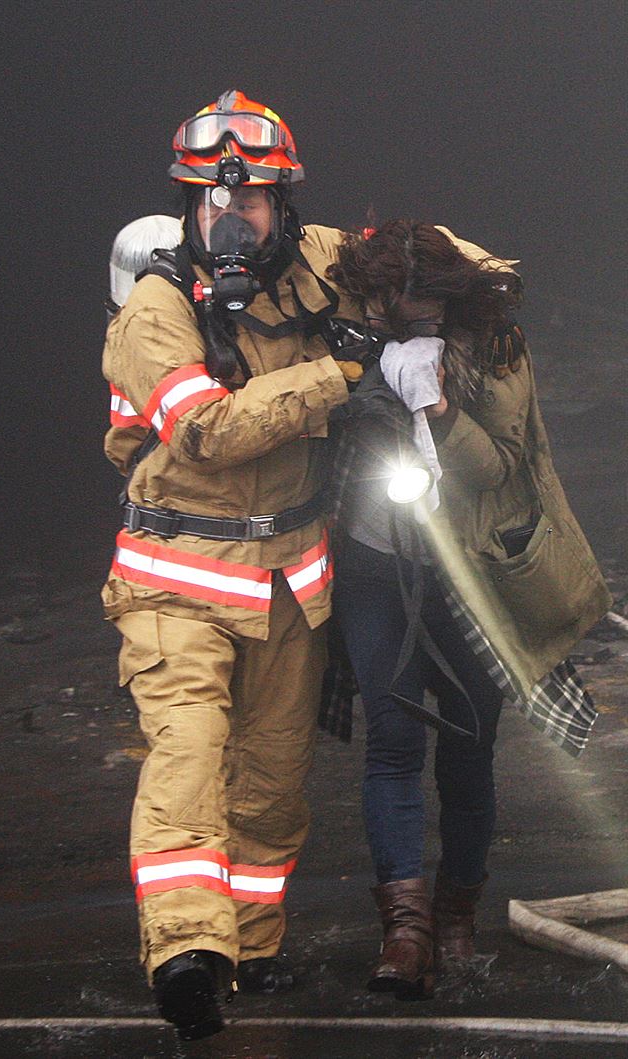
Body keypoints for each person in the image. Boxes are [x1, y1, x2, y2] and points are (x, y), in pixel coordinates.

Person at [100, 90, 362, 1040]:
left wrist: (451, 280)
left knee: (272, 780)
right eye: (212, 199)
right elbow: (207, 429)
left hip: (290, 579)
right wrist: (341, 373)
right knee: (189, 762)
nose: (230, 215)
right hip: (177, 580)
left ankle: (246, 950)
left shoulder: (315, 263)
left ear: (281, 205)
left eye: (248, 201)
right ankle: (184, 954)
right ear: (188, 205)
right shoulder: (153, 313)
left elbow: (412, 255)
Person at [324, 220, 611, 999]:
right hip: (375, 560)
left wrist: (440, 407)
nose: (400, 317)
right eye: (386, 304)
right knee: (391, 736)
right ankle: (406, 932)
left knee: (469, 738)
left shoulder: (497, 351)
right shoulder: (344, 339)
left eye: (417, 305)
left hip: (472, 568)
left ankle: (456, 913)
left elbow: (496, 468)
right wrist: (359, 378)